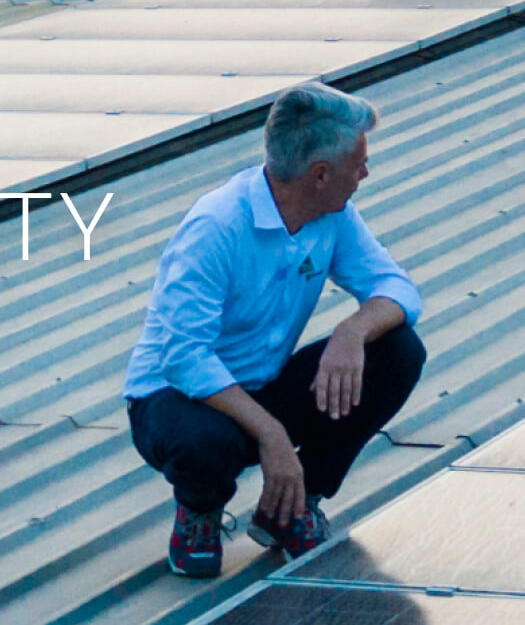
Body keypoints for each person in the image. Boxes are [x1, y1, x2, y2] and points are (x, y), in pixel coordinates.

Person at [123, 82, 428, 580]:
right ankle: (199, 510)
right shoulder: (217, 227)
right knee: (202, 445)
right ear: (321, 174)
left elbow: (397, 289)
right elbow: (183, 358)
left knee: (396, 351)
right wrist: (273, 435)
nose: (365, 174)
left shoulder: (333, 215)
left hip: (263, 385)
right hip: (178, 398)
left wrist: (352, 331)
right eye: (359, 164)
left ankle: (292, 505)